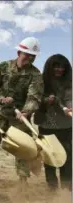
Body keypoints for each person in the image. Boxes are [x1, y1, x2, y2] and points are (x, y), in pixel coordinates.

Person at [0, 37, 44, 187]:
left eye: (33, 56)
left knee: (23, 146)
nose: (30, 58)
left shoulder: (35, 74)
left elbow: (34, 96)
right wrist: (1, 98)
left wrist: (26, 111)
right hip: (1, 112)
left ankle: (23, 178)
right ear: (19, 52)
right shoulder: (2, 67)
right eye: (27, 55)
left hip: (20, 116)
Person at [34, 54, 72, 191]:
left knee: (67, 157)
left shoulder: (69, 81)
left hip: (65, 125)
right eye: (56, 66)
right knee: (49, 157)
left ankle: (67, 188)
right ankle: (52, 188)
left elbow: (69, 98)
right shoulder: (41, 81)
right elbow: (36, 98)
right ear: (50, 67)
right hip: (46, 125)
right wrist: (46, 101)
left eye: (62, 67)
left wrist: (69, 108)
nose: (59, 69)